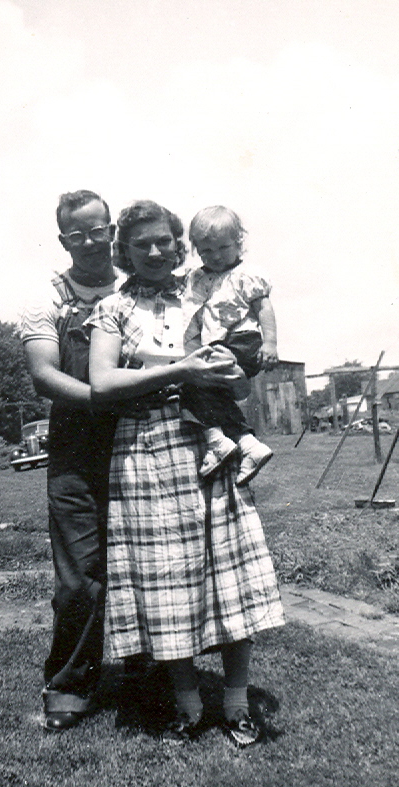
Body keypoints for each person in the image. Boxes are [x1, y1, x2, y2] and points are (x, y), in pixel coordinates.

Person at [87, 199, 285, 747]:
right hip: (146, 446)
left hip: (208, 439)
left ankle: (238, 703)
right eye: (140, 244)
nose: (154, 251)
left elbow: (240, 373)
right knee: (164, 580)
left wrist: (228, 373)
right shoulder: (113, 308)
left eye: (164, 241)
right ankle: (189, 704)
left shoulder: (206, 289)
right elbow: (102, 383)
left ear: (181, 244)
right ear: (122, 252)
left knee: (229, 572)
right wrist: (181, 368)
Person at [18, 189, 118, 732]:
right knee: (79, 575)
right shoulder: (49, 295)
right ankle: (69, 682)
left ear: (112, 228)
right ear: (64, 240)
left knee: (153, 560)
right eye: (75, 234)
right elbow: (44, 376)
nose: (88, 241)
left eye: (96, 229)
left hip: (145, 440)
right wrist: (112, 396)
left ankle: (161, 672)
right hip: (77, 446)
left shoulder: (140, 287)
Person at [181, 205, 278, 486]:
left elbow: (264, 310)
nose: (216, 256)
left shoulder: (247, 274)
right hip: (218, 342)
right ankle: (247, 444)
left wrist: (270, 343)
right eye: (206, 251)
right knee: (204, 389)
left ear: (239, 243)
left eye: (223, 248)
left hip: (243, 340)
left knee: (197, 381)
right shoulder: (199, 278)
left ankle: (216, 440)